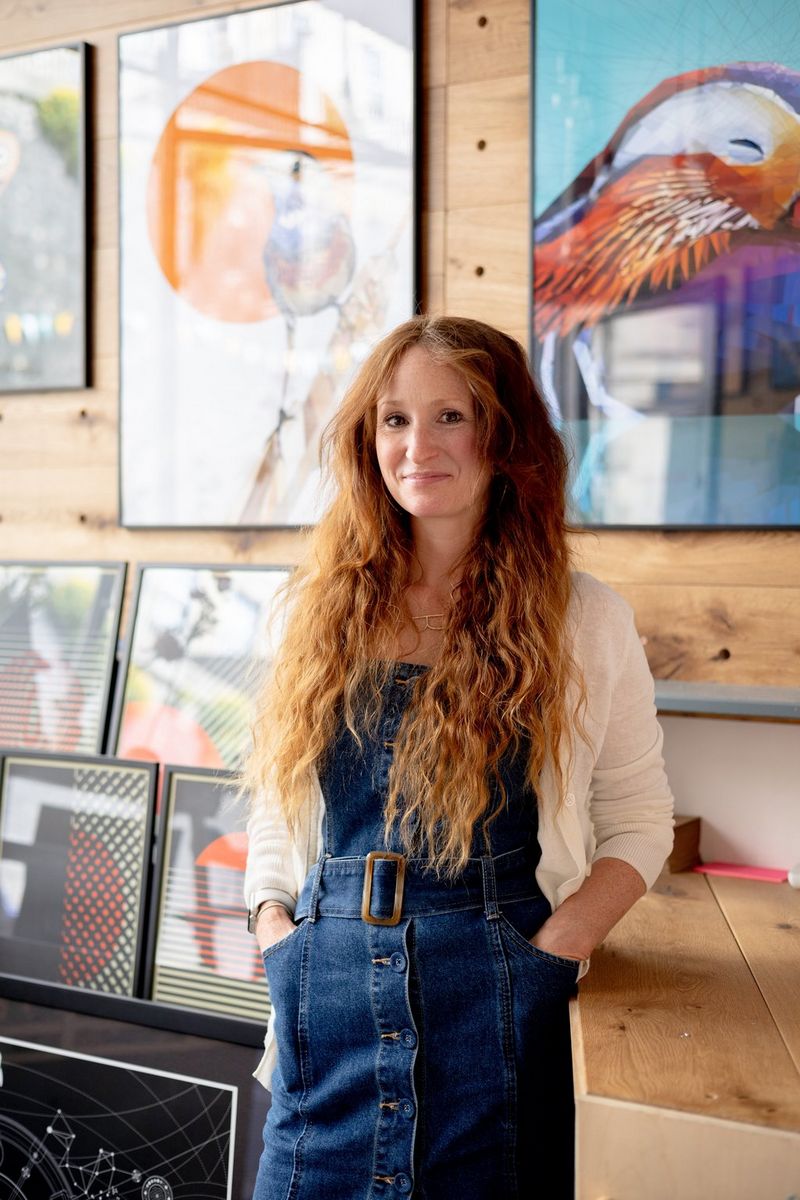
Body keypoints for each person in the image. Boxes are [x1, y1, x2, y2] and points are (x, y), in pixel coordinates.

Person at [243, 314, 674, 1200]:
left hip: (500, 1000)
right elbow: (273, 810)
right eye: (394, 419)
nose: (416, 445)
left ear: (504, 434)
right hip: (325, 996)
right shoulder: (313, 612)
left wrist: (555, 954)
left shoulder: (584, 619)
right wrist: (272, 930)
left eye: (452, 416)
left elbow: (639, 822)